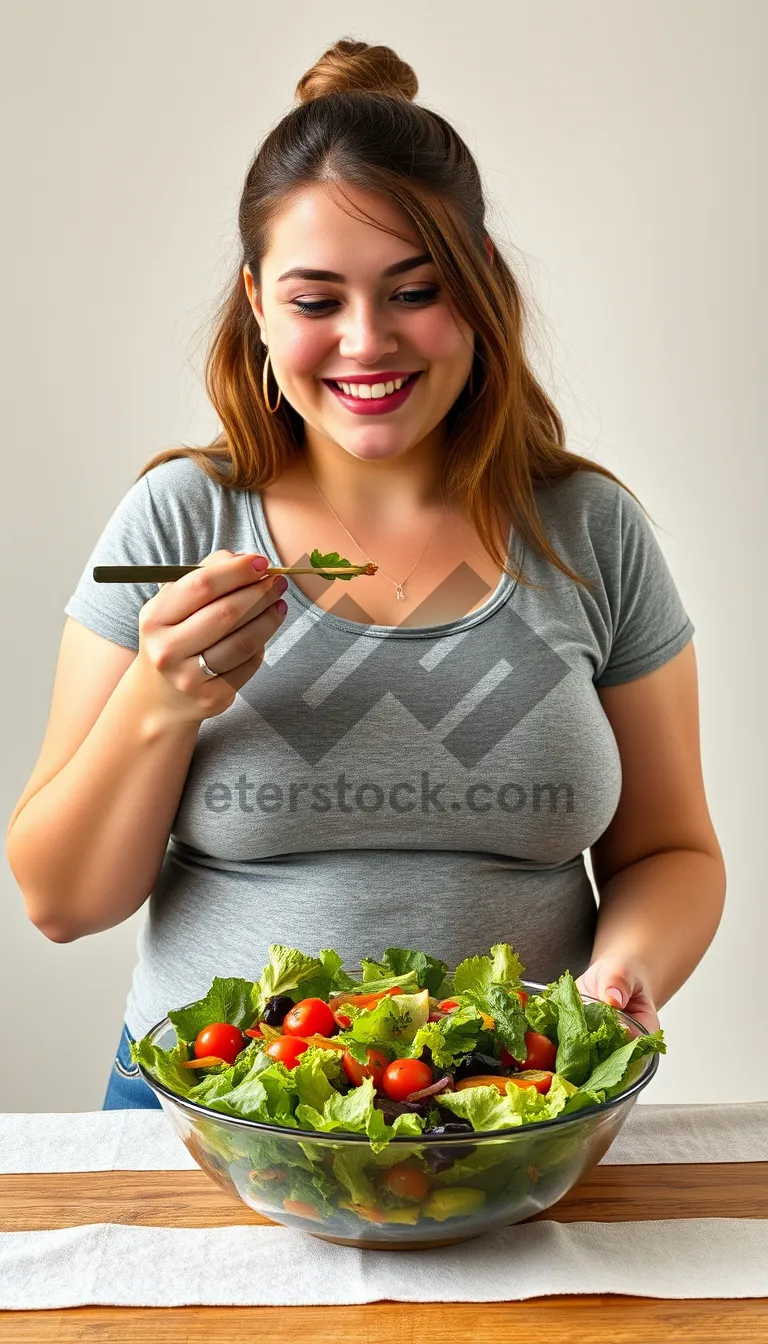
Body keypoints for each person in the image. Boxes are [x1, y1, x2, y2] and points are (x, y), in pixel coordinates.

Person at [6, 39, 726, 1111]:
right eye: (315, 301)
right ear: (257, 303)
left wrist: (625, 975)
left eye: (414, 291)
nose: (367, 342)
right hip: (212, 1118)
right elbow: (60, 901)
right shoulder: (181, 518)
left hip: (509, 1117)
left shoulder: (590, 530)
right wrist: (160, 701)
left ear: (479, 287)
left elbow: (672, 850)